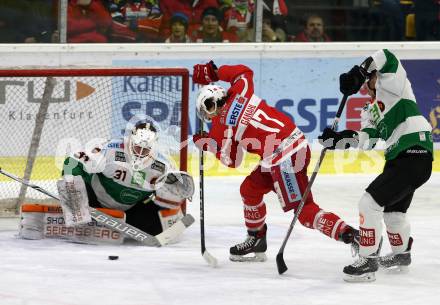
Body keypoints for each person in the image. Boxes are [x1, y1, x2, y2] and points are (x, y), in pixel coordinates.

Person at [192, 61, 359, 262]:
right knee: (250, 190)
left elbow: (232, 160)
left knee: (304, 212)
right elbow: (244, 72)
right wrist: (214, 72)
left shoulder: (221, 126)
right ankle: (256, 238)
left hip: (284, 159)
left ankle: (352, 236)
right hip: (291, 147)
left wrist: (206, 143)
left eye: (207, 109)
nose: (209, 115)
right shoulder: (241, 90)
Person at [319, 49, 433, 282]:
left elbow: (387, 56)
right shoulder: (369, 110)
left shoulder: (395, 86)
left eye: (372, 75)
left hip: (414, 152)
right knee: (393, 213)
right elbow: (366, 141)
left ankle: (368, 260)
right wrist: (338, 139)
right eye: (369, 77)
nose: (372, 78)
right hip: (399, 160)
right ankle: (401, 255)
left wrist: (360, 71)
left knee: (368, 203)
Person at [60, 121, 194, 237]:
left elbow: (175, 191)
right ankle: (76, 211)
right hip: (94, 203)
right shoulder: (109, 150)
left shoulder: (162, 165)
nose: (140, 153)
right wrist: (73, 196)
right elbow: (72, 160)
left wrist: (178, 193)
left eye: (145, 150)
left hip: (129, 213)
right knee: (75, 171)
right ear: (130, 142)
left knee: (157, 227)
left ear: (153, 147)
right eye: (137, 147)